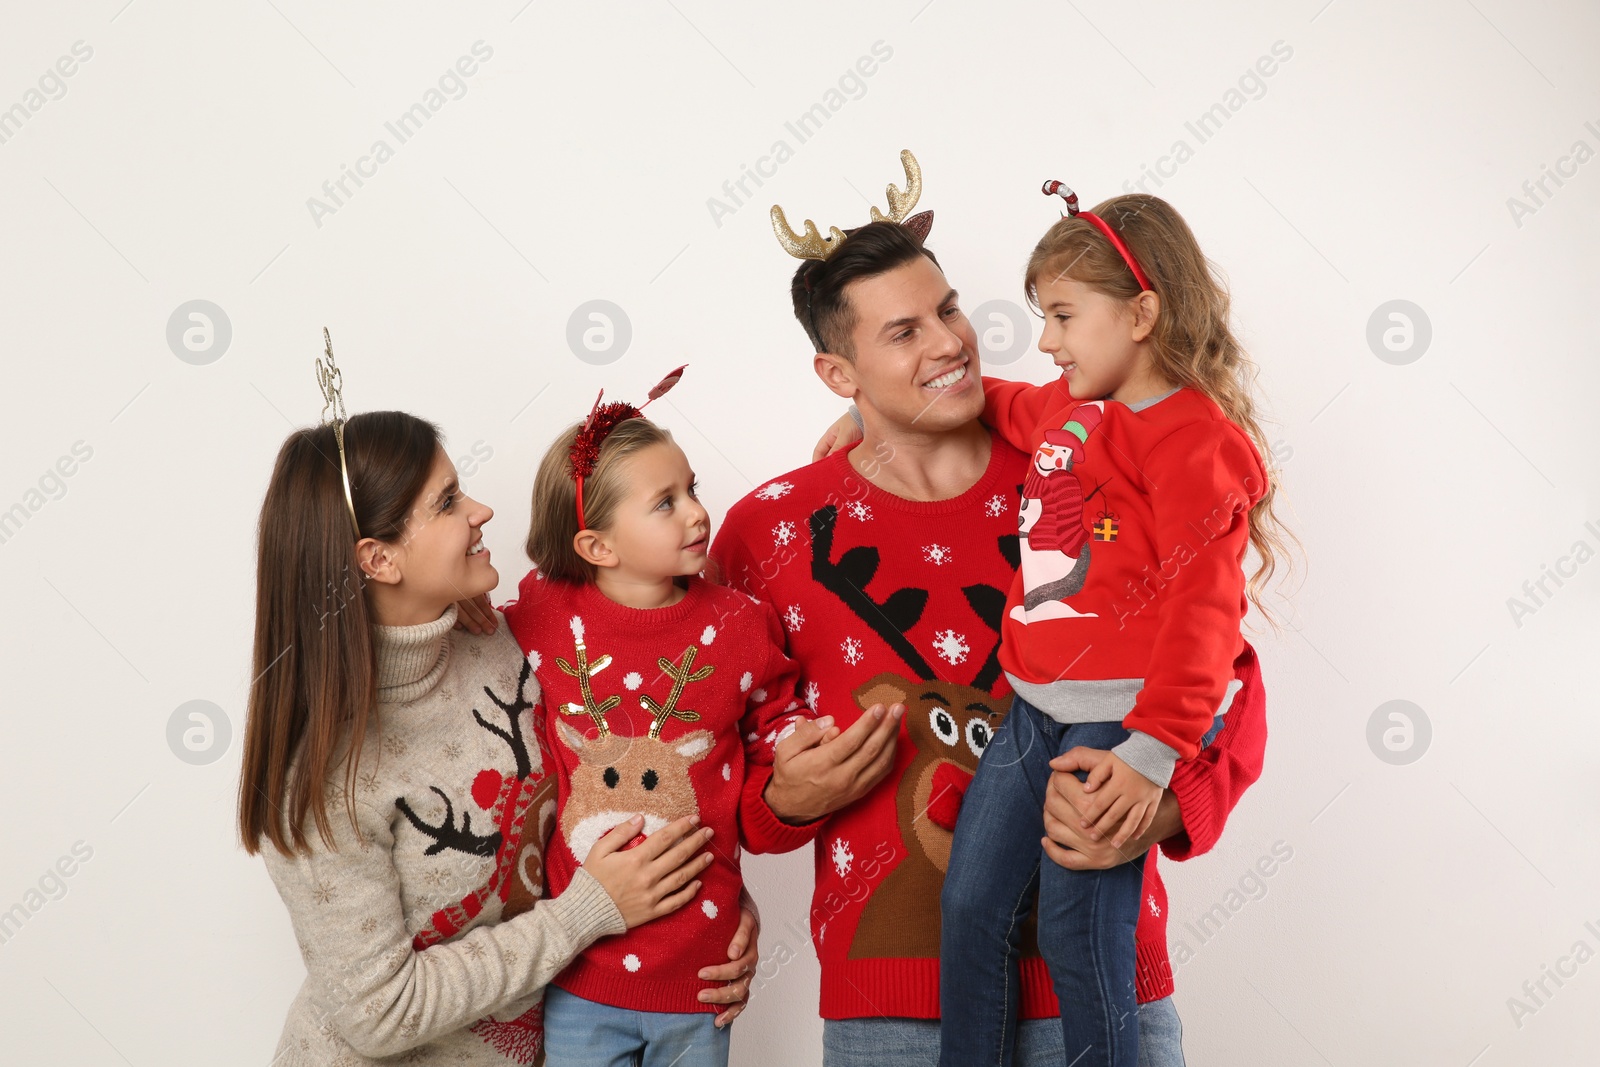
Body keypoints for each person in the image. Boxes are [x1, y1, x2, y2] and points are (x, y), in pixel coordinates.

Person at [713, 153, 1269, 1067]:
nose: (949, 343)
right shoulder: (771, 529)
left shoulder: (1080, 457)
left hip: (1097, 979)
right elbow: (700, 748)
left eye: (949, 308)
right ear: (836, 373)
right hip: (888, 998)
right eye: (903, 333)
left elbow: (1225, 661)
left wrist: (1167, 802)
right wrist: (775, 803)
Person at [238, 339, 758, 1067]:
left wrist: (709, 904)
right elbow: (379, 1013)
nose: (483, 508)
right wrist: (588, 913)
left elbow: (642, 763)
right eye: (448, 502)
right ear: (377, 559)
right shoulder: (326, 776)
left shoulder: (508, 642)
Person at [931, 187, 1293, 1067]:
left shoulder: (1191, 444)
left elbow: (1206, 618)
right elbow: (1003, 402)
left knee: (1076, 927)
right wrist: (869, 415)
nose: (1047, 340)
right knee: (973, 905)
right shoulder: (1065, 405)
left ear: (1141, 312)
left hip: (1121, 720)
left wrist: (1150, 751)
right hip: (1033, 708)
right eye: (1041, 318)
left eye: (1061, 315)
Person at [498, 377, 819, 1067]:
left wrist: (797, 744)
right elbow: (473, 646)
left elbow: (776, 711)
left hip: (701, 974)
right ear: (597, 546)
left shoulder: (736, 622)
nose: (698, 514)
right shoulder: (546, 614)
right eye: (665, 503)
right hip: (582, 969)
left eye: (693, 489)